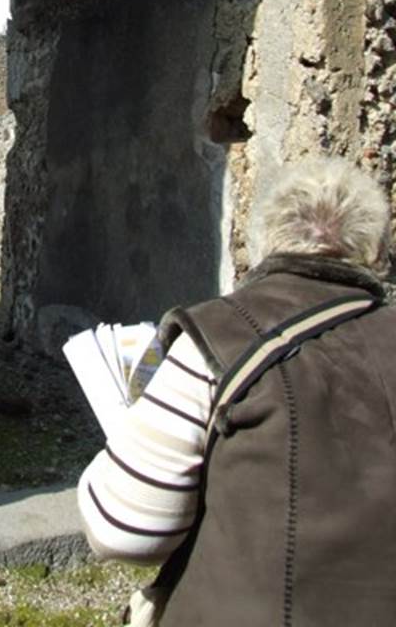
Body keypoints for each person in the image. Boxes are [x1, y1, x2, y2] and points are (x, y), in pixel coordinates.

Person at [77, 156, 396, 626]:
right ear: (376, 250)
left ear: (263, 240)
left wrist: (125, 441)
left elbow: (124, 531)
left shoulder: (220, 338)